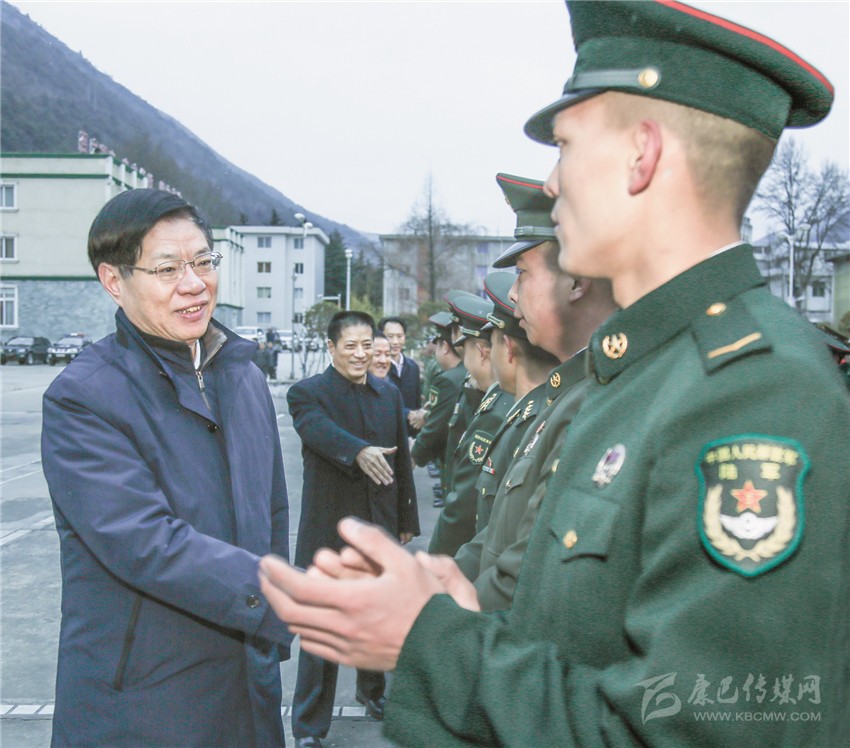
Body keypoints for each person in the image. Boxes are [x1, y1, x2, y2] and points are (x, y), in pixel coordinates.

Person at [260, 2, 850, 744]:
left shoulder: (753, 390)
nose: (551, 181)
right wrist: (459, 608)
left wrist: (428, 640)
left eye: (566, 146)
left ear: (642, 155)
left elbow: (694, 732)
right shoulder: (637, 373)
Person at [41, 188, 292, 747]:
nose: (194, 283)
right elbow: (144, 541)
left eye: (203, 261)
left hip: (248, 684)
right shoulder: (84, 397)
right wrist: (284, 597)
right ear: (114, 280)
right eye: (167, 268)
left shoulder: (244, 377)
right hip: (143, 701)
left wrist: (269, 634)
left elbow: (271, 513)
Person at [454, 174, 616, 611]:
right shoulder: (564, 393)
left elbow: (525, 574)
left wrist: (421, 620)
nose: (512, 293)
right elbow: (497, 539)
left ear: (576, 281)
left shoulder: (595, 399)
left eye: (523, 273)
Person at [286, 310, 419, 748]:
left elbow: (401, 465)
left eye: (367, 345)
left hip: (378, 527)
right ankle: (309, 727)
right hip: (328, 530)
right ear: (331, 347)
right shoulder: (308, 393)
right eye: (351, 346)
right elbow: (317, 430)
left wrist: (406, 520)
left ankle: (371, 691)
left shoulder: (388, 394)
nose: (361, 354)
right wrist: (359, 451)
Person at [428, 292, 513, 557]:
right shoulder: (486, 396)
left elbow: (463, 506)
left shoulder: (497, 410)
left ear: (483, 353)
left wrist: (436, 562)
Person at [410, 311, 466, 507]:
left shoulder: (448, 380)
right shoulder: (466, 373)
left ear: (445, 347)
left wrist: (415, 455)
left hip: (454, 463)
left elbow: (436, 428)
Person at [378, 316, 422, 433]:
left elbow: (417, 403)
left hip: (410, 432)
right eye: (390, 336)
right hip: (385, 430)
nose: (395, 342)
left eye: (399, 336)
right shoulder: (376, 367)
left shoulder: (413, 367)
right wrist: (406, 413)